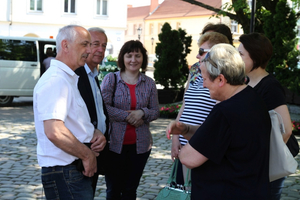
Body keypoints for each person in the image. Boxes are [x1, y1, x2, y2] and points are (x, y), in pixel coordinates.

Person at [167, 43, 271, 199]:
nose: (203, 84)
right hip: (251, 190)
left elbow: (188, 158)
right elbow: (215, 140)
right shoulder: (252, 97)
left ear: (221, 79)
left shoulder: (225, 111)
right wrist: (186, 129)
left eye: (205, 79)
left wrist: (183, 145)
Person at [33, 25, 106, 199]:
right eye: (84, 44)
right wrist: (87, 155)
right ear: (65, 45)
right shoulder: (56, 80)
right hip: (65, 172)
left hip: (70, 171)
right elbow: (54, 131)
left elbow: (70, 122)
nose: (89, 50)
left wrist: (93, 132)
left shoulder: (66, 78)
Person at [101, 40, 160, 200]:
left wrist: (142, 112)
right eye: (129, 55)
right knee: (113, 189)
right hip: (114, 145)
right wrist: (128, 116)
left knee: (130, 189)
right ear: (123, 58)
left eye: (137, 55)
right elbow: (103, 108)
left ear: (143, 58)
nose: (133, 60)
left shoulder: (149, 83)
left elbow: (155, 111)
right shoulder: (111, 79)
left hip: (140, 147)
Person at [238, 32, 293, 200]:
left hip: (267, 168)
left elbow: (287, 130)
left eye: (240, 54)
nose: (236, 58)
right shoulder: (245, 82)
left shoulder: (270, 86)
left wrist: (262, 159)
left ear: (255, 57)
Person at [171, 31, 230, 184]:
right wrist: (176, 137)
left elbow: (217, 117)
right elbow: (186, 103)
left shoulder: (222, 79)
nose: (197, 56)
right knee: (183, 190)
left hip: (201, 146)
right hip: (185, 143)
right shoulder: (195, 70)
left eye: (201, 52)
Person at [75, 27, 108, 197]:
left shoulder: (94, 74)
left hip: (95, 151)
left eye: (104, 45)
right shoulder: (76, 74)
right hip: (79, 155)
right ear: (86, 46)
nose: (101, 50)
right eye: (96, 44)